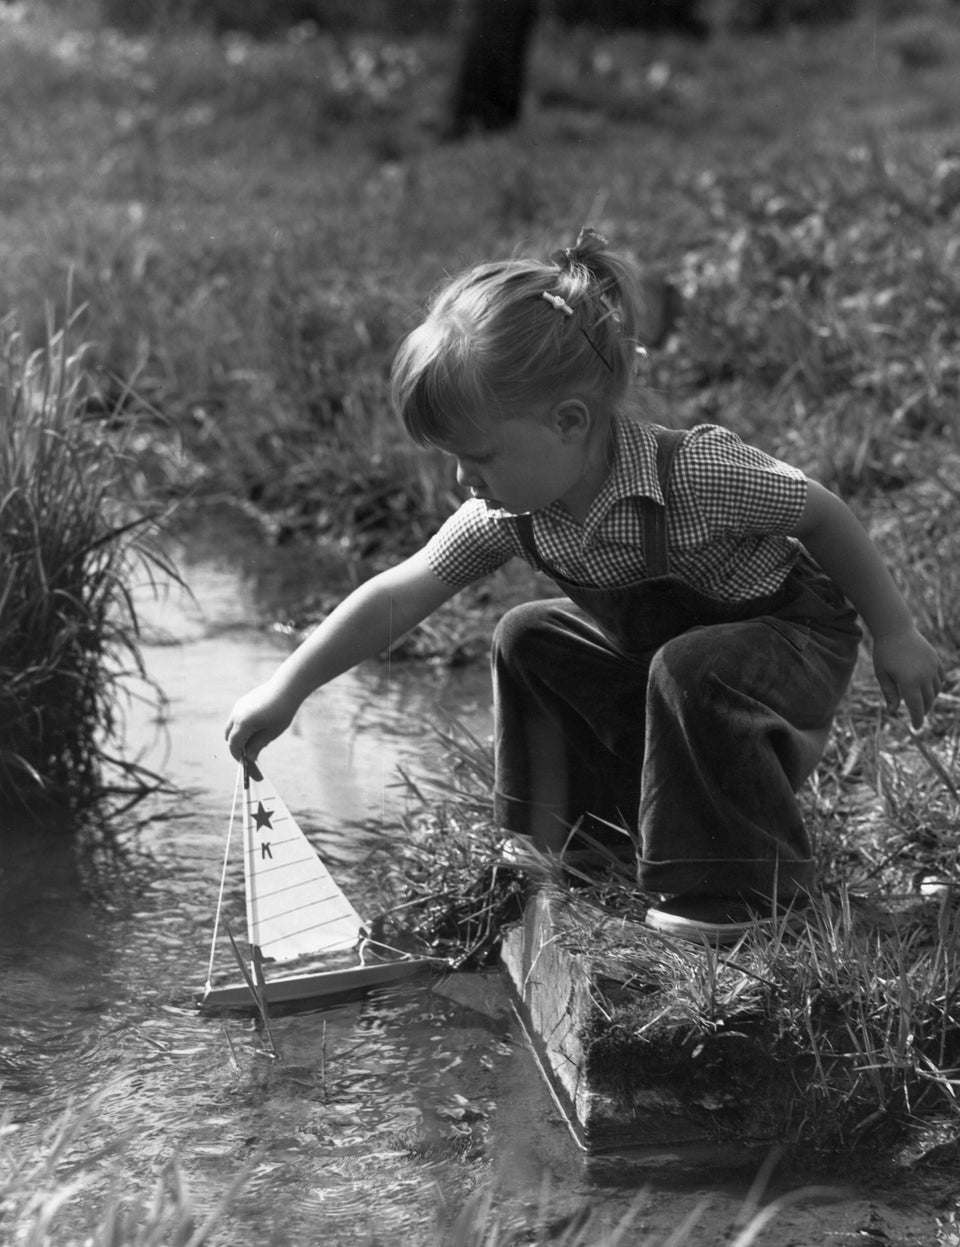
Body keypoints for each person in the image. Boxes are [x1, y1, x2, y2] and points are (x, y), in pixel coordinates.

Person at [225, 229, 944, 945]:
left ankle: (741, 887)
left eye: (477, 456)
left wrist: (896, 631)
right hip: (674, 666)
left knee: (689, 667)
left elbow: (820, 511)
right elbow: (398, 595)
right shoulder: (513, 511)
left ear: (568, 422)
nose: (462, 480)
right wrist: (289, 687)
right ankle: (580, 835)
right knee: (529, 636)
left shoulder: (692, 475)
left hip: (790, 645)